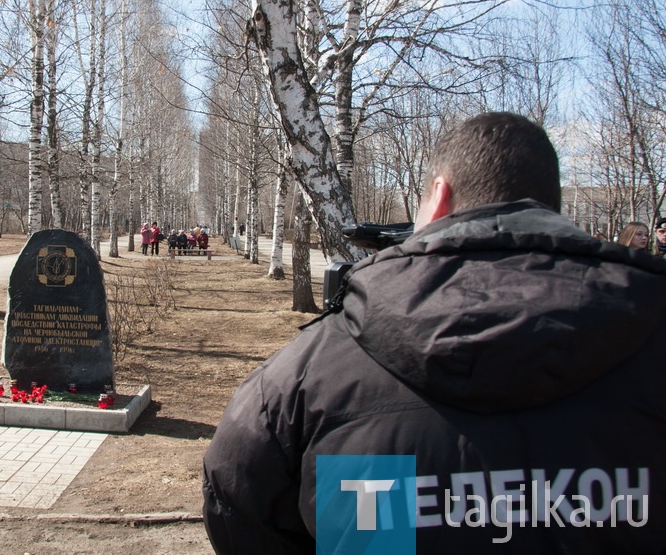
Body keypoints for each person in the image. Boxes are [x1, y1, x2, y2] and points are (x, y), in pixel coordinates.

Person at [202, 112, 666, 553]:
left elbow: (239, 496)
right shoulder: (648, 334)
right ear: (553, 207)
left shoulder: (307, 374)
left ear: (439, 197)